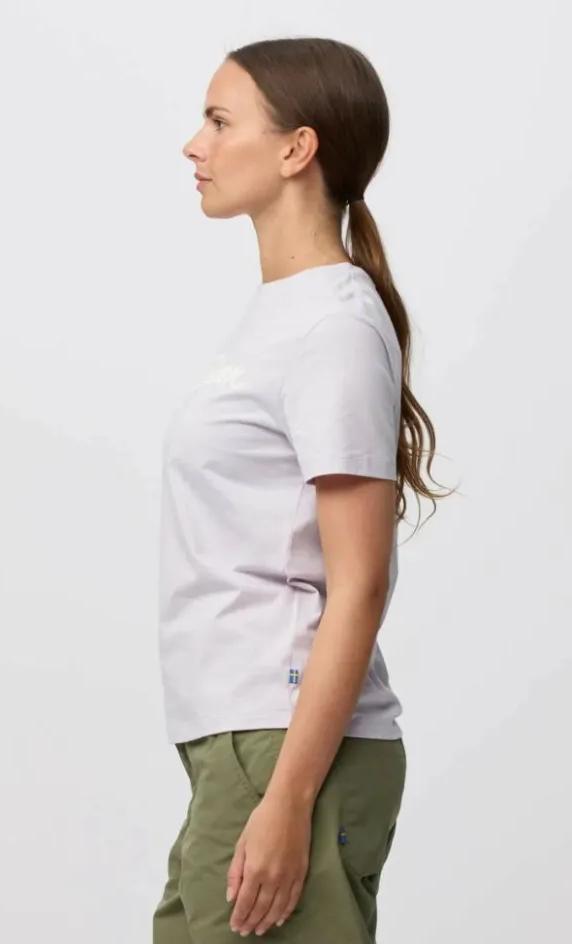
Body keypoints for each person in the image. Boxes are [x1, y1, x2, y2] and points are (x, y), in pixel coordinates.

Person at [153, 36, 449, 943]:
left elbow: (360, 583)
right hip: (242, 742)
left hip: (284, 746)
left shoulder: (332, 326)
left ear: (296, 149)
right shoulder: (283, 316)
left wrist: (287, 798)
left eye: (219, 120)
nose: (194, 145)